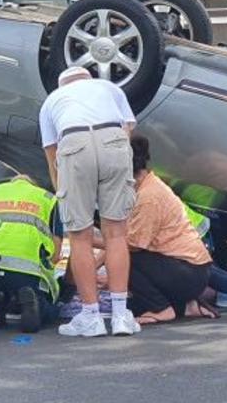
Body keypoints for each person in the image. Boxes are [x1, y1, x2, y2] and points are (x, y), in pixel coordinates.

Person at [40, 66, 141, 337]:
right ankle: (120, 316)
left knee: (80, 236)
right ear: (89, 78)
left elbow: (52, 157)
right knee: (116, 233)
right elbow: (127, 130)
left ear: (62, 85)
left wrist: (63, 190)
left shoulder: (51, 101)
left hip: (73, 142)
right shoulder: (110, 89)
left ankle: (90, 316)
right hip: (114, 140)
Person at [123, 136, 216, 324]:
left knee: (126, 259)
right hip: (190, 267)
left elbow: (132, 244)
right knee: (132, 306)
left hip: (187, 271)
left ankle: (161, 309)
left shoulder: (148, 197)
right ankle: (187, 306)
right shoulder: (150, 183)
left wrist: (93, 241)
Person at [0, 175, 62, 332]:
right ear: (33, 185)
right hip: (28, 271)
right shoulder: (47, 198)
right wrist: (50, 267)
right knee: (51, 309)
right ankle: (36, 304)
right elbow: (56, 246)